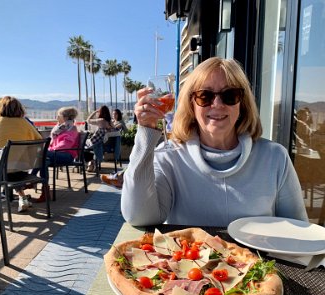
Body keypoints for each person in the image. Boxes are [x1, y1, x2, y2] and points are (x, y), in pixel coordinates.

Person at [121, 57, 308, 227]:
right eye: (205, 96)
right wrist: (145, 132)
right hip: (191, 263)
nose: (217, 104)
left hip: (259, 264)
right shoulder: (170, 156)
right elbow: (139, 216)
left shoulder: (275, 158)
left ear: (242, 104)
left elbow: (297, 231)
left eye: (230, 95)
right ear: (191, 104)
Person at [0, 96, 42, 212]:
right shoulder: (24, 122)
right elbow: (39, 139)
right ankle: (22, 198)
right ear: (19, 109)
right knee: (13, 166)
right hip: (21, 169)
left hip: (0, 172)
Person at [85, 105, 113, 172]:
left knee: (83, 146)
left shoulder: (100, 120)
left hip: (95, 142)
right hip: (104, 144)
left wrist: (94, 112)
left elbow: (88, 120)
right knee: (88, 147)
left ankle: (91, 162)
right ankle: (92, 163)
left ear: (100, 112)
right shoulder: (110, 122)